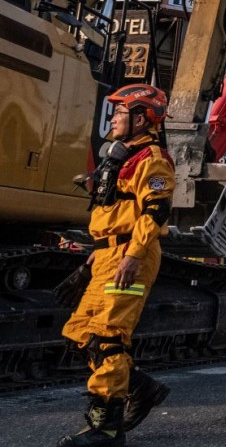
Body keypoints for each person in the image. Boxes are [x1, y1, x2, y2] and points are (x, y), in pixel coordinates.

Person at [58, 84, 176, 446]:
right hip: (110, 254)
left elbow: (156, 212)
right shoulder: (123, 156)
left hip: (131, 256)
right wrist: (99, 251)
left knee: (108, 337)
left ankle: (106, 428)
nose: (115, 118)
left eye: (121, 112)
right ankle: (141, 387)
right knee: (82, 333)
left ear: (141, 118)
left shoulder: (152, 158)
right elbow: (118, 211)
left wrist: (131, 254)